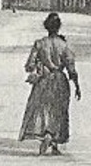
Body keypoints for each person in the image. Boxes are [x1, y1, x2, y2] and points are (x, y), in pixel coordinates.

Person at [20, 12, 81, 155]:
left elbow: (29, 65)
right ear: (59, 27)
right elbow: (71, 69)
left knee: (43, 109)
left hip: (44, 80)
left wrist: (39, 67)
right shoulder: (64, 45)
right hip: (60, 80)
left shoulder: (39, 44)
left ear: (46, 27)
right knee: (59, 110)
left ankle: (46, 136)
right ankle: (53, 141)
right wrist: (77, 87)